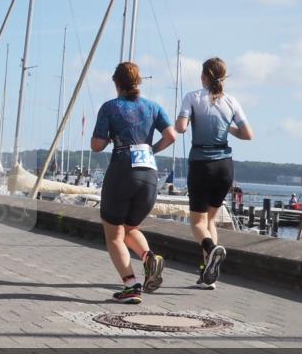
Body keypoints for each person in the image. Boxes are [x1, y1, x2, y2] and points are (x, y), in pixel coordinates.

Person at [90, 62, 176, 304]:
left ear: (116, 83)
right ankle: (149, 257)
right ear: (138, 82)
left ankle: (130, 285)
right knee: (130, 228)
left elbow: (96, 145)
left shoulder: (110, 107)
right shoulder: (153, 106)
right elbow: (171, 136)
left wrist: (107, 139)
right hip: (149, 174)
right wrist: (151, 150)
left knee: (114, 234)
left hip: (122, 171)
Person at [175, 57, 253, 290]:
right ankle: (208, 276)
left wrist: (189, 119)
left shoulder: (192, 97)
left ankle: (210, 250)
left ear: (204, 77)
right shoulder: (231, 101)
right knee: (210, 221)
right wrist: (226, 125)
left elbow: (180, 128)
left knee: (197, 222)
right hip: (224, 167)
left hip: (201, 165)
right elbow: (248, 134)